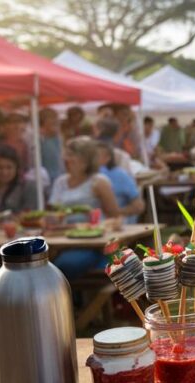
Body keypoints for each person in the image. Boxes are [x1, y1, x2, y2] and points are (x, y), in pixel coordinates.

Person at [49, 137, 121, 280]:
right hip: (61, 240)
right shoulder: (60, 182)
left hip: (91, 244)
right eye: (66, 154)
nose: (66, 158)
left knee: (64, 266)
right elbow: (53, 214)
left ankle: (67, 293)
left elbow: (115, 217)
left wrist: (94, 227)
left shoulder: (99, 182)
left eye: (71, 155)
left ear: (86, 160)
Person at [95, 142, 144, 224]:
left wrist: (116, 213)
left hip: (113, 223)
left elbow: (139, 206)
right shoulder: (85, 176)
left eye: (96, 156)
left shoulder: (120, 175)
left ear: (107, 158)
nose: (92, 160)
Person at [39, 108, 63, 184]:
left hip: (59, 176)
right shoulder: (39, 139)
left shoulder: (58, 138)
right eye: (51, 118)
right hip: (46, 179)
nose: (56, 120)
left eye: (55, 117)